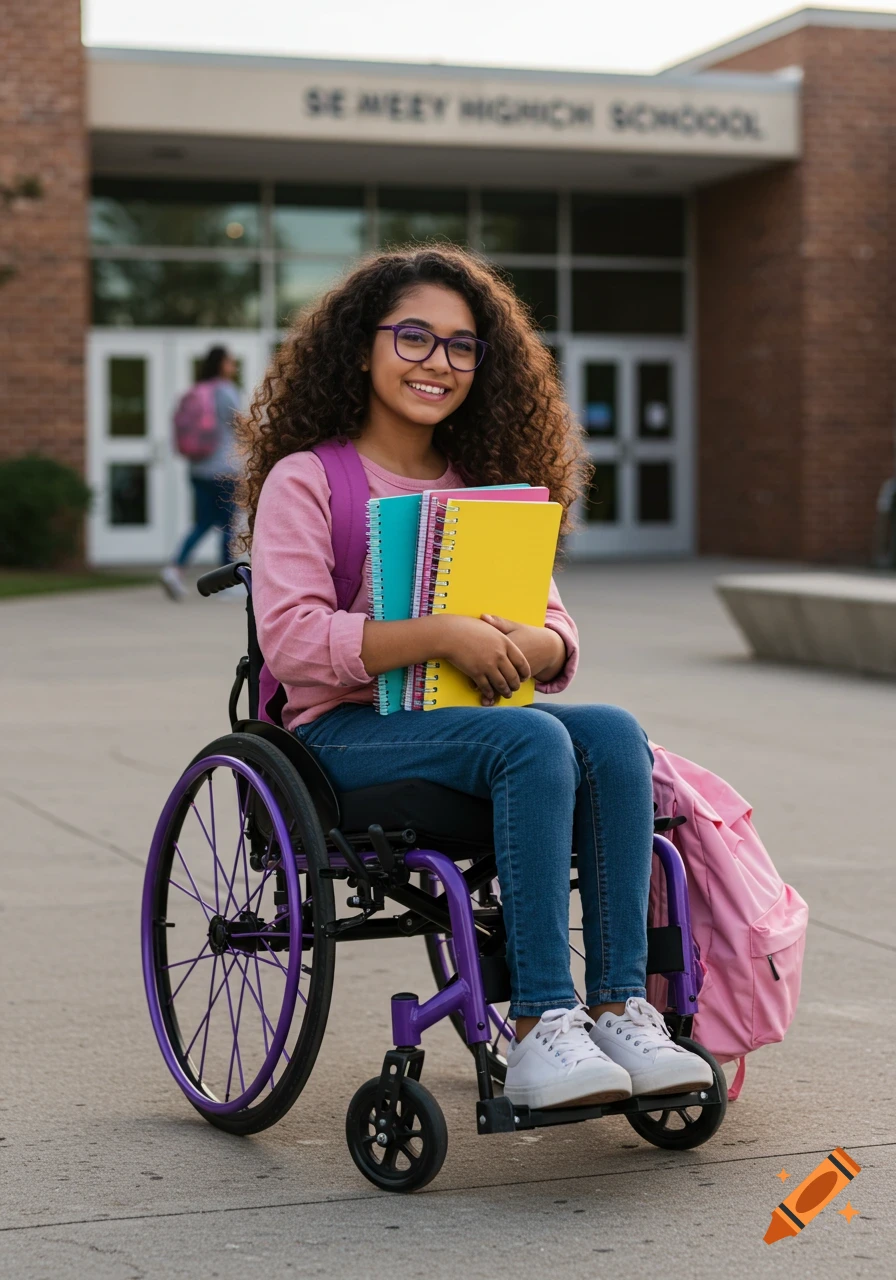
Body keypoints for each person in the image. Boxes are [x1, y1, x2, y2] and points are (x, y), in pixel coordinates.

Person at [244, 246, 714, 1110]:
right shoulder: (308, 480)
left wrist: (527, 648)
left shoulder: (483, 492)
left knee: (610, 731)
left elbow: (559, 630)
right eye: (415, 337)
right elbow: (292, 640)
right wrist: (442, 634)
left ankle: (618, 1009)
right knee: (532, 736)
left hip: (473, 727)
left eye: (463, 346)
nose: (439, 362)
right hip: (338, 739)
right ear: (361, 346)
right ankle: (538, 1028)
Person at [160, 345, 241, 601]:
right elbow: (240, 425)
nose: (234, 366)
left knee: (204, 522)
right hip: (224, 469)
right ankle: (227, 583)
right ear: (221, 364)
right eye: (230, 362)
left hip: (198, 468)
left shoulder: (197, 391)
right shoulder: (227, 391)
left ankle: (174, 569)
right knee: (228, 525)